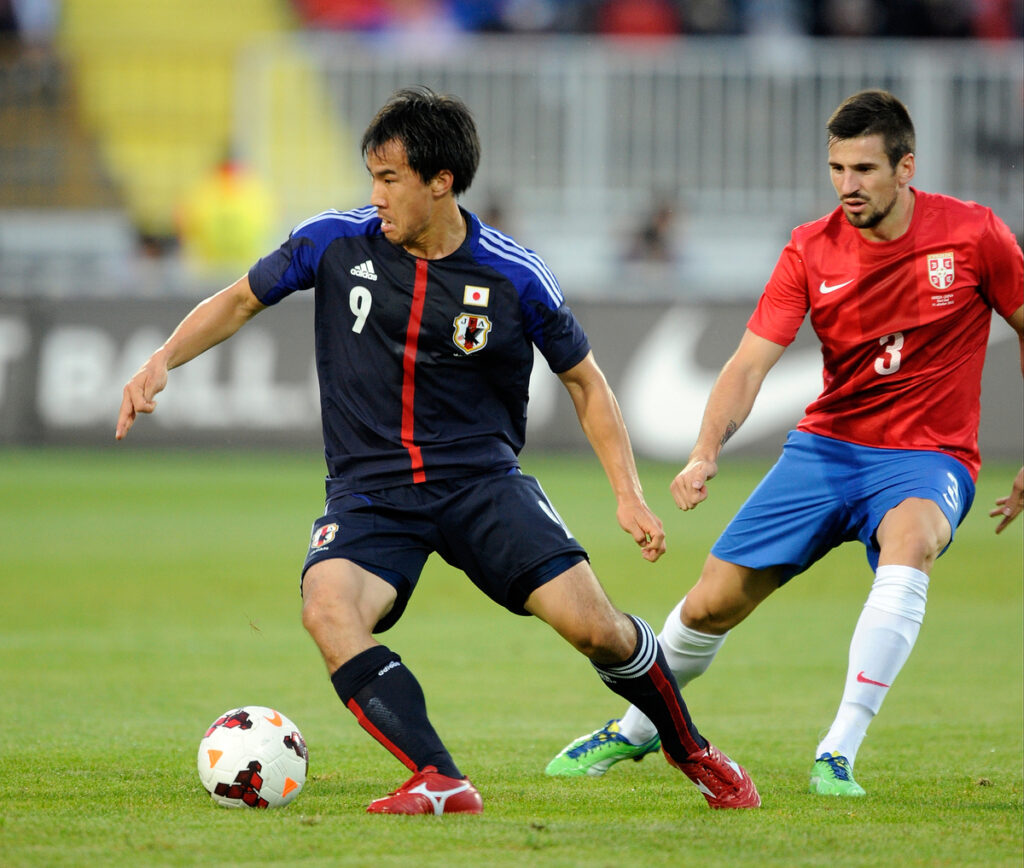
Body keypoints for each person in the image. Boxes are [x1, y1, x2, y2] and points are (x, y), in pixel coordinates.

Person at [116, 86, 760, 813]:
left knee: (597, 629)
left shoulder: (514, 275)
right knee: (328, 608)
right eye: (373, 178)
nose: (376, 196)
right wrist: (163, 358)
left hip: (481, 484)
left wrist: (627, 493)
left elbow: (585, 382)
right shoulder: (334, 240)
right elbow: (238, 299)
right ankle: (439, 776)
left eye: (390, 180)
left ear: (441, 181)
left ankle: (692, 749)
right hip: (371, 493)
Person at [546, 89, 1024, 796]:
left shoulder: (976, 235)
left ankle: (839, 747)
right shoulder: (811, 247)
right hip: (827, 451)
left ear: (906, 167)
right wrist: (706, 450)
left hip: (928, 454)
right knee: (711, 603)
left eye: (863, 169)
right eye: (837, 168)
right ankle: (632, 729)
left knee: (911, 541)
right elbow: (746, 365)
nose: (847, 186)